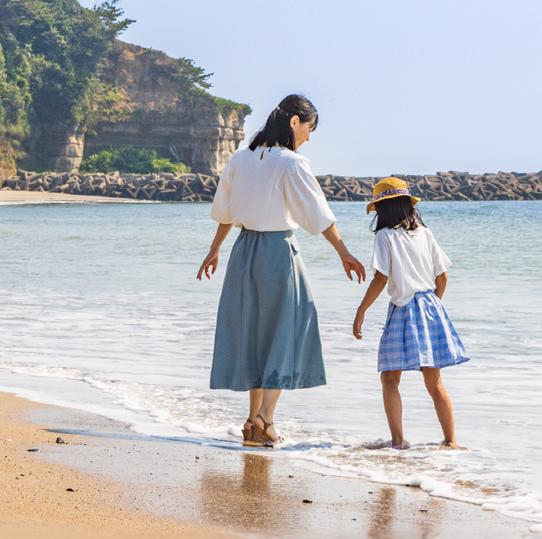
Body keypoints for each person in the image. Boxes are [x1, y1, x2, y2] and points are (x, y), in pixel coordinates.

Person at [197, 94, 367, 447]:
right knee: (288, 329)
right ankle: (265, 419)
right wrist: (344, 252)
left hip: (243, 252)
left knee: (256, 335)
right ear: (294, 122)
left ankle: (251, 421)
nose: (308, 137)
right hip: (276, 250)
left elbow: (225, 211)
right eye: (308, 128)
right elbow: (316, 214)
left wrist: (214, 251)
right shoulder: (292, 162)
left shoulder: (241, 158)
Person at [352, 177, 468, 449]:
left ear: (381, 209)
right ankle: (450, 442)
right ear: (407, 206)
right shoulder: (425, 233)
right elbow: (443, 277)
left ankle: (398, 441)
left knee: (389, 378)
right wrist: (432, 305)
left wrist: (361, 310)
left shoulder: (385, 236)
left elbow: (380, 278)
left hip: (403, 309)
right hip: (430, 307)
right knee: (434, 381)